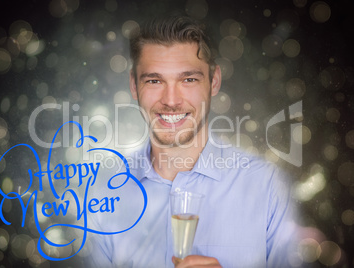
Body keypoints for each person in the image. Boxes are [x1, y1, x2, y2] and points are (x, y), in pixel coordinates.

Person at [88, 15, 297, 268]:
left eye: (188, 79)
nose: (172, 100)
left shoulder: (267, 187)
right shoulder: (101, 196)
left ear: (214, 81)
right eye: (154, 80)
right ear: (134, 85)